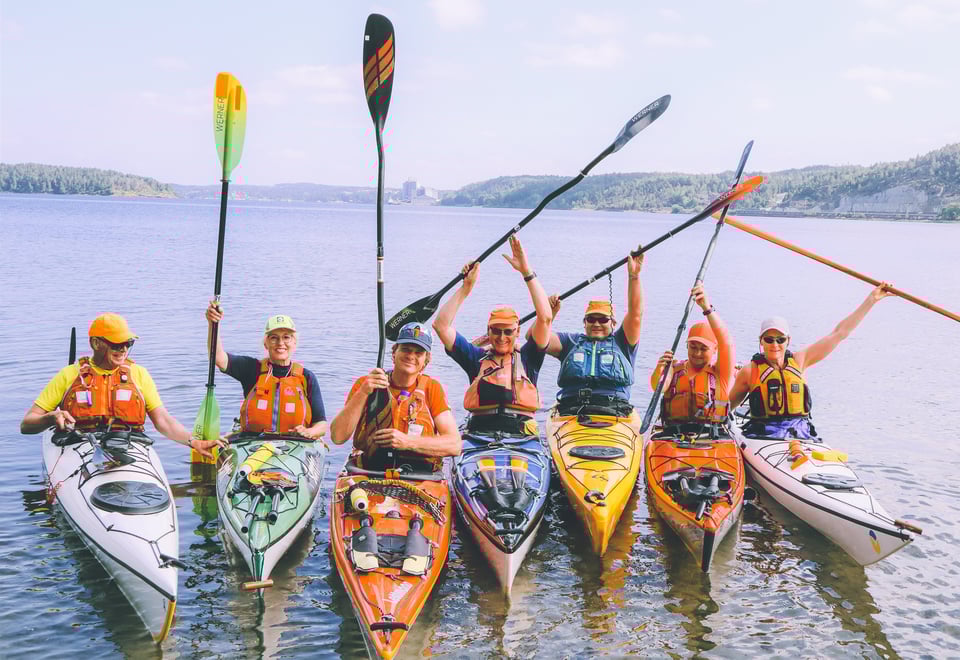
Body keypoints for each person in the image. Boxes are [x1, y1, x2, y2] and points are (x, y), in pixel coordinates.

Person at [21, 313, 221, 459]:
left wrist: (193, 442)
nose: (123, 349)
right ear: (95, 344)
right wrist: (52, 416)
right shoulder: (68, 375)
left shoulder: (139, 374)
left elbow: (164, 421)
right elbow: (27, 424)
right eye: (116, 344)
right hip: (79, 445)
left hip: (128, 443)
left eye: (128, 343)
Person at [729, 283, 896, 439]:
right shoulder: (749, 371)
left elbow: (839, 334)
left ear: (788, 340)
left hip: (801, 433)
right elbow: (728, 408)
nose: (774, 344)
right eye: (769, 339)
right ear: (761, 341)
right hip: (763, 435)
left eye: (780, 339)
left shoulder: (800, 360)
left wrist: (871, 299)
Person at [432, 235, 552, 435]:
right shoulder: (475, 358)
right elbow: (441, 325)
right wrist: (465, 288)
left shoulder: (529, 357)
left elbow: (545, 318)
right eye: (496, 331)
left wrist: (526, 271)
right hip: (480, 435)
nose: (502, 337)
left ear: (517, 332)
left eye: (508, 331)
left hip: (521, 436)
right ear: (488, 332)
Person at [330, 322, 461, 471]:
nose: (411, 356)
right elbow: (337, 437)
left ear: (426, 360)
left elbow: (455, 445)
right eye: (405, 349)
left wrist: (408, 442)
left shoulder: (432, 388)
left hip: (420, 474)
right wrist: (363, 392)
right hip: (369, 470)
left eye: (418, 352)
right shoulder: (366, 384)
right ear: (394, 353)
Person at [542, 250, 645, 413]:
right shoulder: (570, 342)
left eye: (603, 320)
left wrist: (634, 276)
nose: (596, 324)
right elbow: (536, 340)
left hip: (615, 409)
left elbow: (636, 313)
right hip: (571, 409)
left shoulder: (623, 342)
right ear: (584, 323)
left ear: (613, 323)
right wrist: (548, 313)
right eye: (591, 319)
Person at [205, 302, 327, 439]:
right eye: (274, 338)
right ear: (266, 343)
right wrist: (213, 324)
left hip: (296, 443)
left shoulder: (307, 377)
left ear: (294, 342)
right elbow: (218, 358)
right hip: (254, 441)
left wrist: (310, 432)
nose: (281, 343)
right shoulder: (252, 368)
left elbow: (321, 424)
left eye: (286, 337)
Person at [648, 283, 735, 429]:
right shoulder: (674, 369)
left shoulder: (722, 374)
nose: (697, 353)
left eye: (703, 348)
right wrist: (660, 368)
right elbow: (658, 387)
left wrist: (707, 309)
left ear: (715, 349)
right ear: (686, 345)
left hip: (712, 439)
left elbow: (726, 341)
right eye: (693, 347)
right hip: (673, 436)